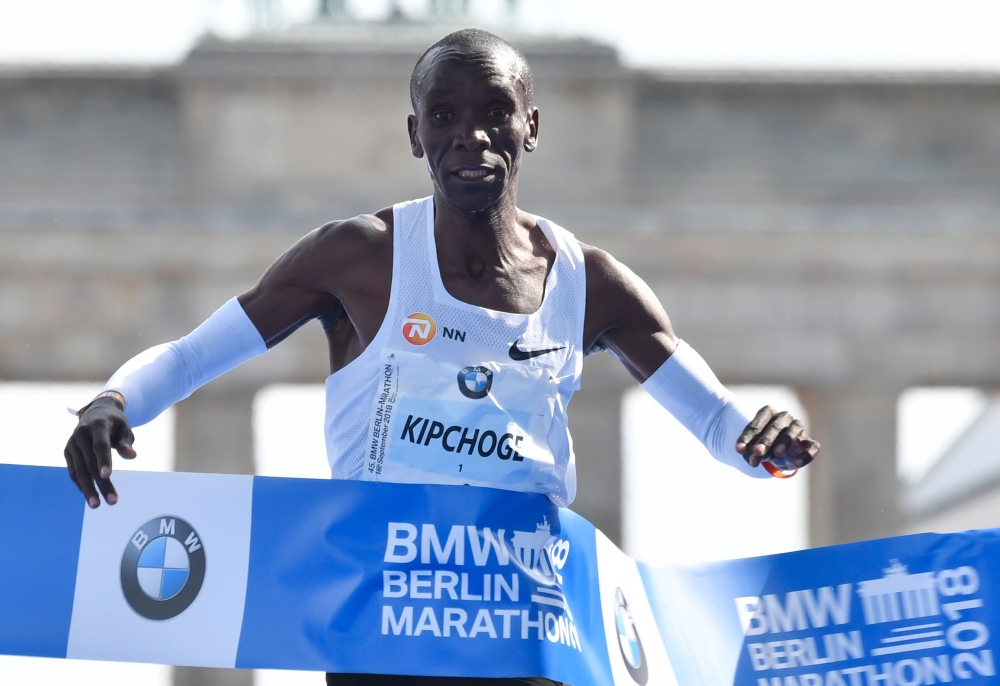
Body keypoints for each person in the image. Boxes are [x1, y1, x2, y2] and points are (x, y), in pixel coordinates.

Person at [64, 28, 819, 686]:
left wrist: (769, 445)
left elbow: (723, 428)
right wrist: (113, 402)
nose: (471, 135)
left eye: (495, 112)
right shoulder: (359, 256)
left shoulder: (595, 282)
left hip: (526, 624)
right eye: (445, 116)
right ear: (414, 133)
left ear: (530, 125)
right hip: (384, 627)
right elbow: (195, 355)